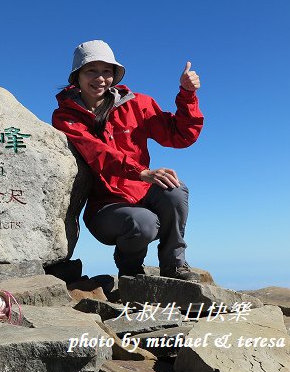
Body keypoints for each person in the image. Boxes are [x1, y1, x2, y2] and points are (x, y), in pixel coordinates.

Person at [51, 40, 204, 281]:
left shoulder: (137, 105)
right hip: (104, 206)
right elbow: (95, 151)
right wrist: (141, 172)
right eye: (91, 70)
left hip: (141, 191)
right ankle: (130, 270)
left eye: (107, 71)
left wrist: (187, 95)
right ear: (77, 76)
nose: (100, 78)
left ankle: (174, 266)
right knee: (143, 223)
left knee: (175, 189)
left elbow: (180, 135)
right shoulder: (65, 117)